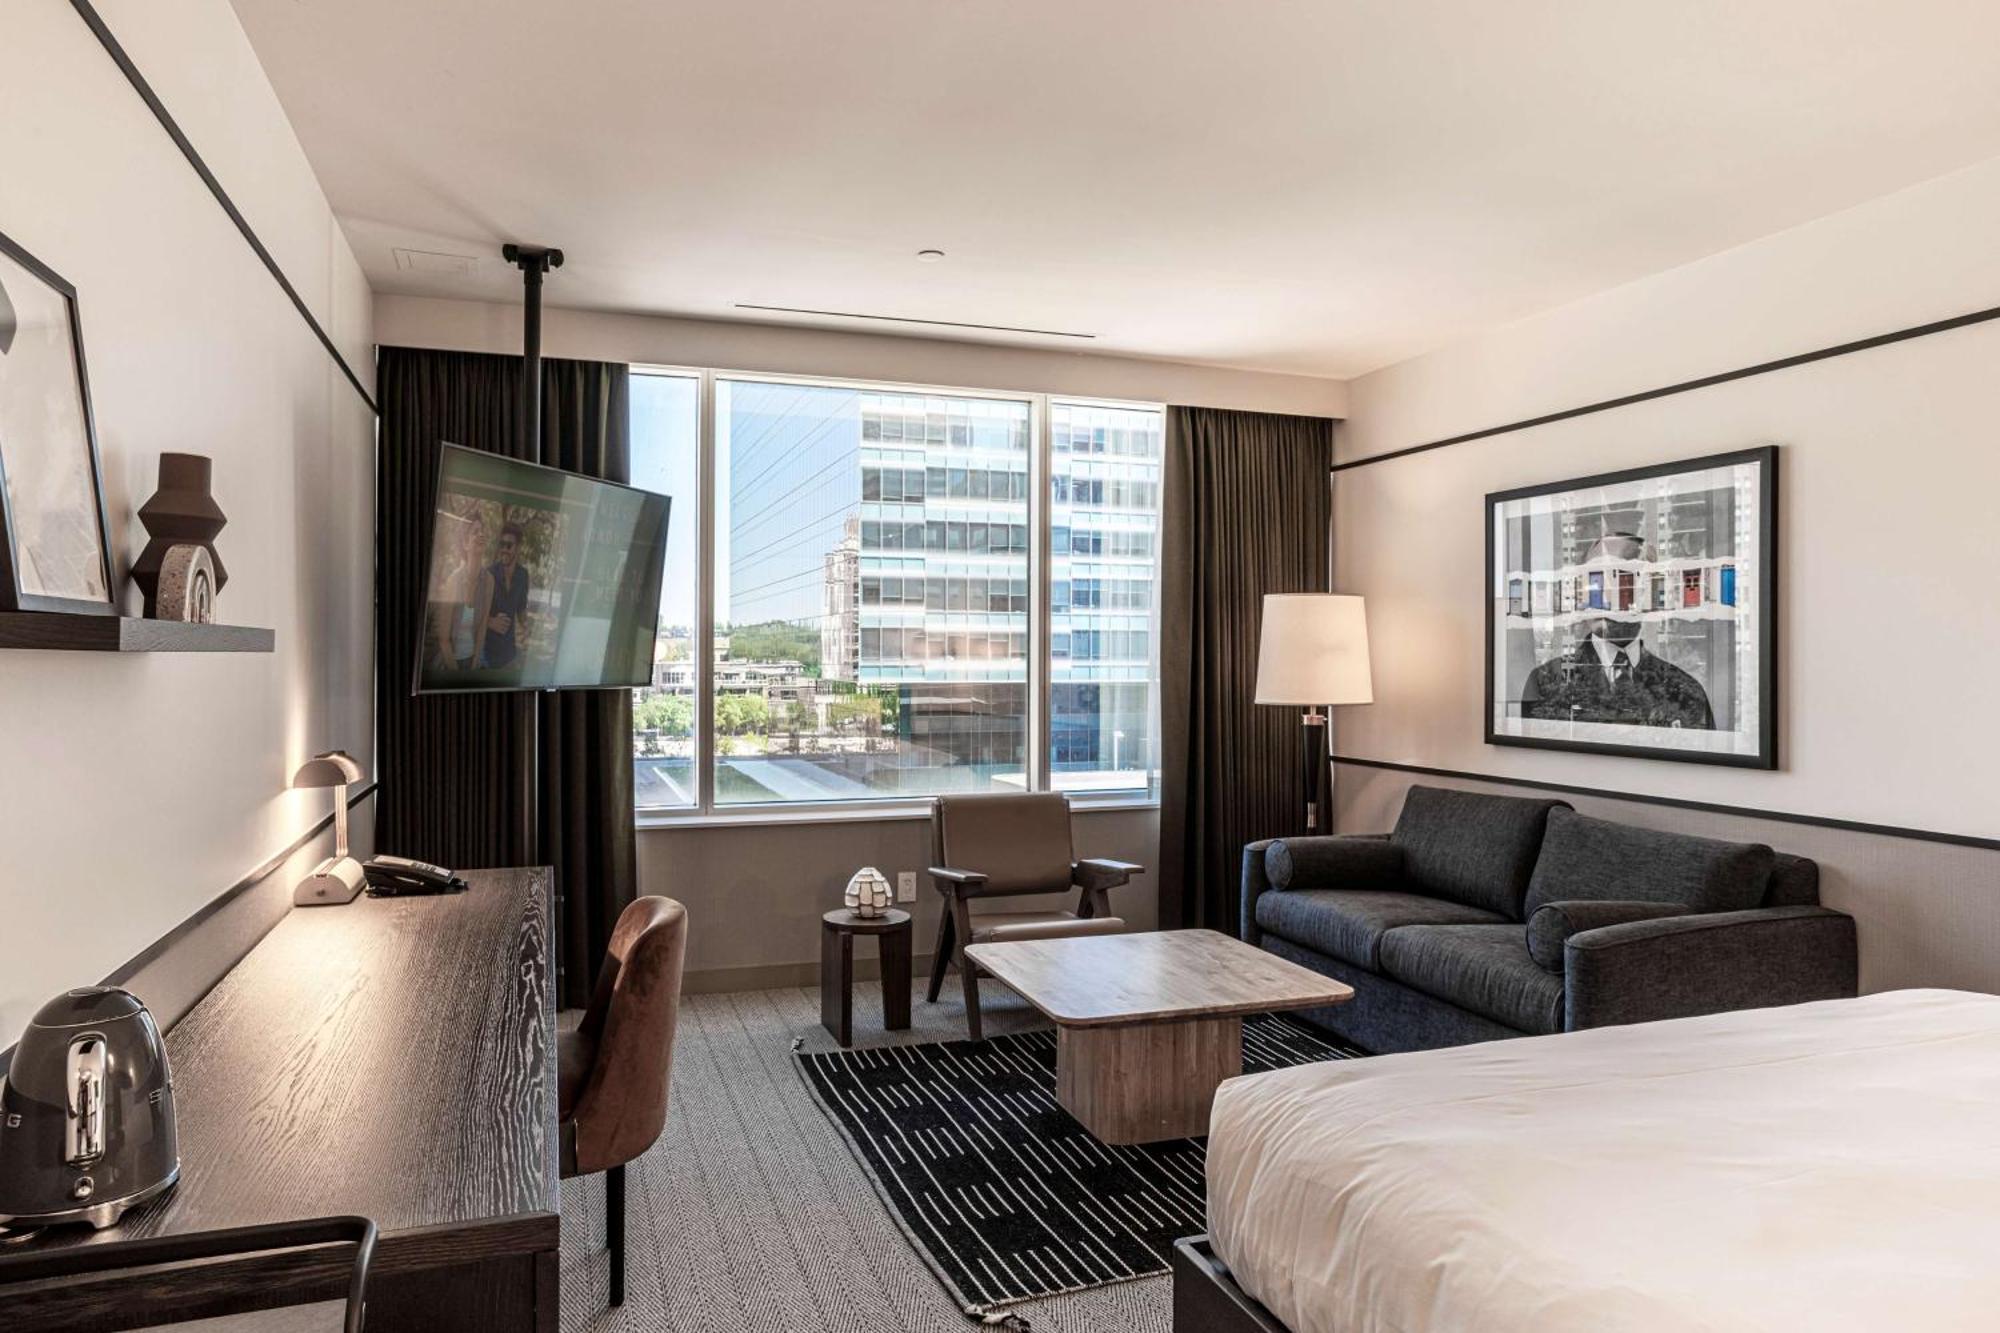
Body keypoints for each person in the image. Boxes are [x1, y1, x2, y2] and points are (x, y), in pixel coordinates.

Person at [1518, 531, 1714, 729]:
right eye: (1593, 580)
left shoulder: (1686, 692)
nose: (1603, 595)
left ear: (1650, 591)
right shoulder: (1545, 683)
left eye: (1623, 579)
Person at [474, 522, 530, 669]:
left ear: (518, 547)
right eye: (502, 544)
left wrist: (526, 627)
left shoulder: (523, 575)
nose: (504, 549)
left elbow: (521, 608)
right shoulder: (487, 574)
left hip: (510, 654)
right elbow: (472, 612)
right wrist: (490, 622)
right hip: (486, 655)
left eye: (509, 545)